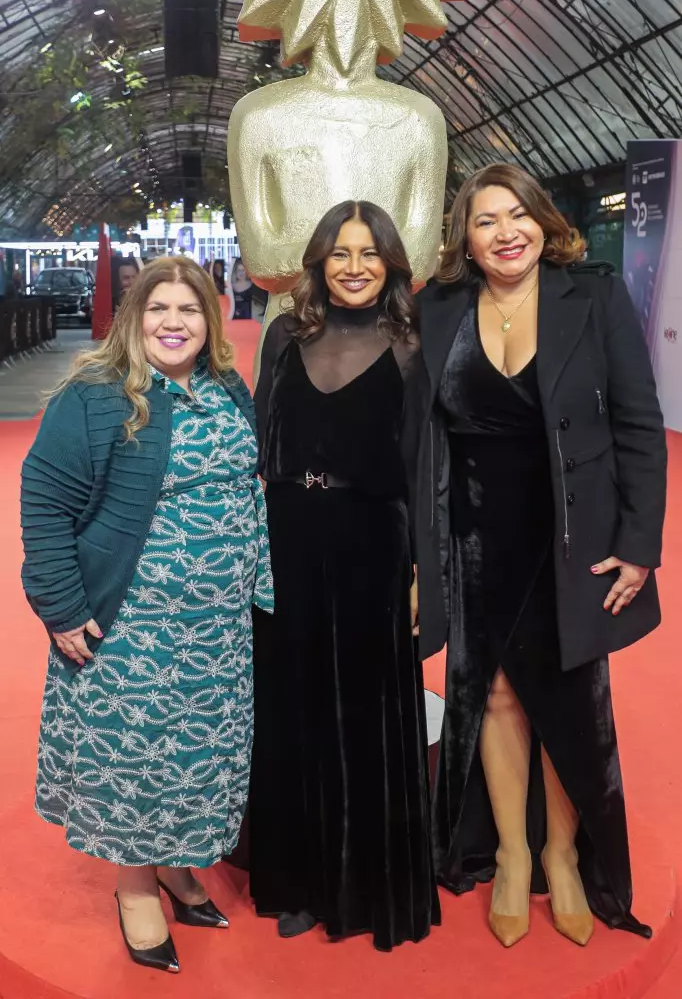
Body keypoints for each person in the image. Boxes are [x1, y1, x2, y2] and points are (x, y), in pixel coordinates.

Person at [414, 164, 666, 948]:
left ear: (545, 222)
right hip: (474, 537)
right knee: (491, 696)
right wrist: (421, 553)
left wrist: (637, 545)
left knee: (567, 702)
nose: (506, 232)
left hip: (573, 541)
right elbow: (420, 436)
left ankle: (563, 852)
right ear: (466, 235)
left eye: (519, 214)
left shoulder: (590, 297)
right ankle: (514, 855)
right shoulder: (440, 307)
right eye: (486, 220)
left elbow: (638, 425)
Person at [21, 256, 273, 973]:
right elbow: (44, 502)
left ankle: (174, 866)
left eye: (188, 310)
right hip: (128, 625)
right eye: (157, 308)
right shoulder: (97, 394)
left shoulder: (227, 386)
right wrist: (62, 607)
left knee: (193, 759)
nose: (173, 322)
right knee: (133, 761)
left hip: (217, 629)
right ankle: (134, 885)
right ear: (134, 319)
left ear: (210, 319)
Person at [250, 200, 439, 951]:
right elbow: (259, 444)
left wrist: (423, 564)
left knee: (364, 712)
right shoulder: (284, 336)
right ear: (318, 263)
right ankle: (297, 882)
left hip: (373, 543)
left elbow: (428, 466)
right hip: (289, 538)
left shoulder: (411, 344)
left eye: (368, 253)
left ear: (391, 262)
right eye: (339, 253)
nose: (354, 266)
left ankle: (364, 884)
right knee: (292, 711)